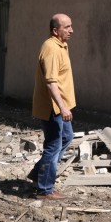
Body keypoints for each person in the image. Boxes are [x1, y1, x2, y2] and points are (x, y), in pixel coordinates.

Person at [27, 13, 76, 199]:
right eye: (67, 27)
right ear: (55, 30)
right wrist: (62, 107)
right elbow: (51, 82)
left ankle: (37, 174)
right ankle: (45, 189)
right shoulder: (51, 49)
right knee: (54, 145)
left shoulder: (60, 45)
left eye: (71, 26)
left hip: (60, 106)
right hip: (53, 107)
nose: (71, 30)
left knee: (66, 137)